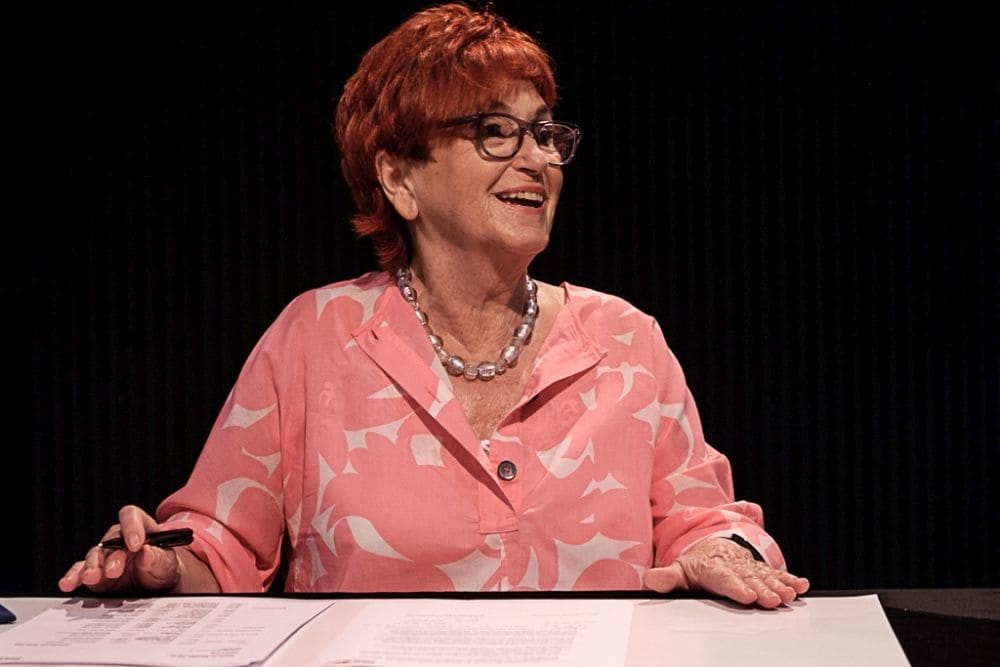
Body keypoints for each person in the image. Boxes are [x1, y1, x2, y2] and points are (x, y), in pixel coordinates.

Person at [59, 2, 808, 607]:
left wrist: (718, 551)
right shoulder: (316, 336)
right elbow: (221, 545)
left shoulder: (625, 339)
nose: (538, 158)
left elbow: (703, 520)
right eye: (495, 132)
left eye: (545, 133)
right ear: (399, 178)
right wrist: (157, 566)